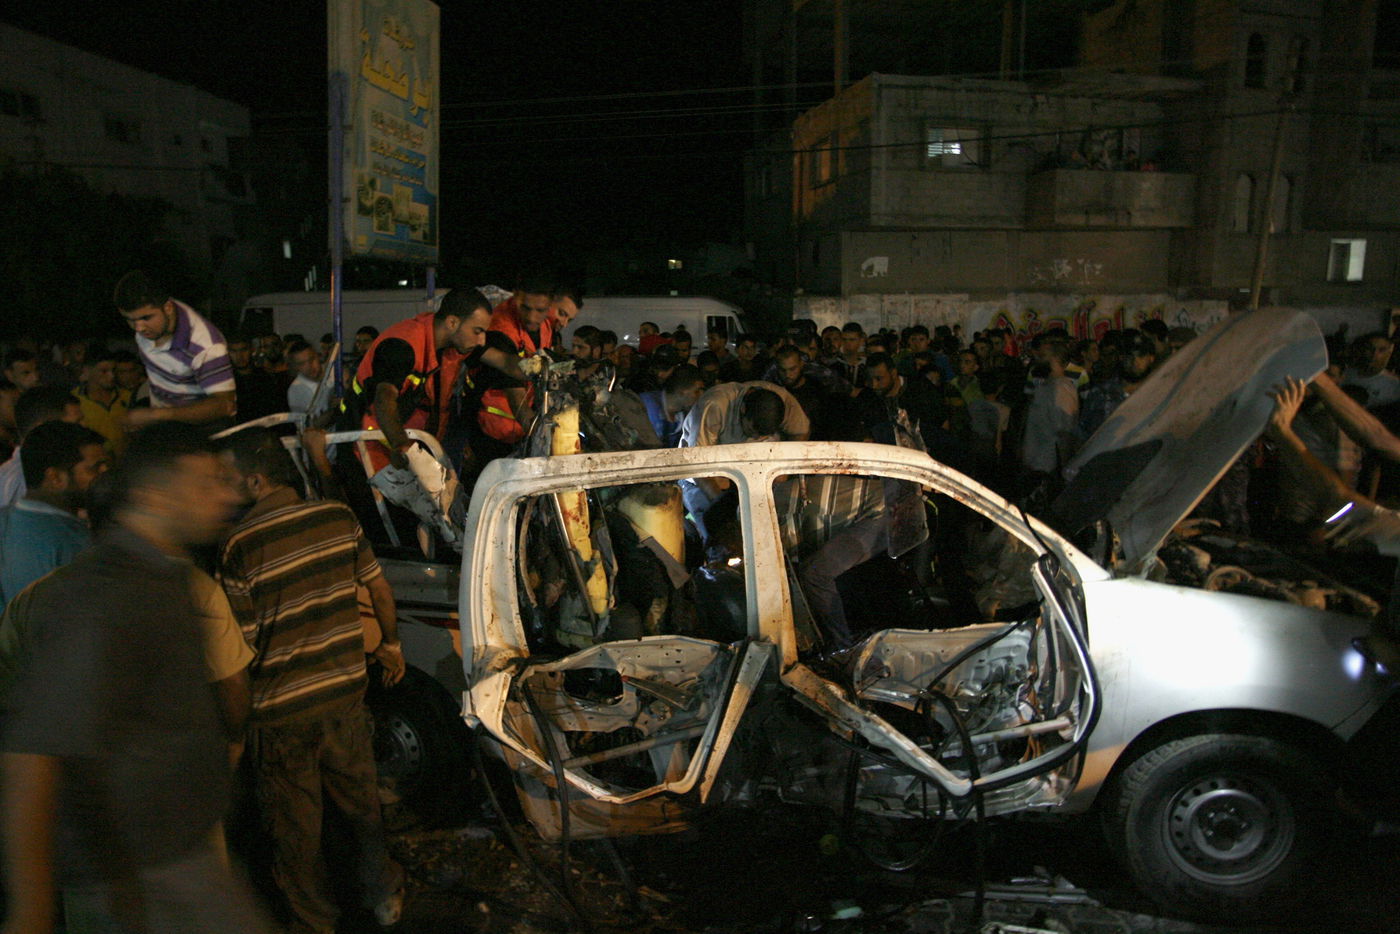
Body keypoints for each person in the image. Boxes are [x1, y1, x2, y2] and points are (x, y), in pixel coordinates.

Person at [0, 422, 268, 934]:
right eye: (205, 482)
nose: (225, 494)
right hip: (137, 872)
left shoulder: (167, 579)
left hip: (175, 855)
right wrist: (31, 910)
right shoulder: (107, 596)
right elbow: (32, 758)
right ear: (153, 494)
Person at [217, 428, 405, 933]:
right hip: (345, 695)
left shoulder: (238, 545)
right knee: (361, 806)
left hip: (281, 713)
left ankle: (315, 920)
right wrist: (390, 645)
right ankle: (383, 896)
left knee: (296, 829)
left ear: (255, 481)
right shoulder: (337, 517)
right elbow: (380, 590)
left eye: (230, 482)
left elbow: (244, 645)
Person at [340, 286, 504, 471]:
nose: (482, 340)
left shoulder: (450, 344)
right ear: (452, 322)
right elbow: (384, 397)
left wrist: (533, 366)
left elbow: (502, 361)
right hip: (365, 449)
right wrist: (404, 447)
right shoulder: (402, 346)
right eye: (477, 331)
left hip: (406, 449)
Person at [0, 421, 109, 612]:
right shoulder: (74, 541)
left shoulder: (5, 520)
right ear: (55, 478)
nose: (105, 473)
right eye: (94, 468)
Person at [114, 270, 237, 426]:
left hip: (203, 436)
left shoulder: (205, 346)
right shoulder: (150, 328)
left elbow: (224, 405)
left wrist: (157, 415)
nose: (138, 328)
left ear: (168, 308)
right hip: (168, 430)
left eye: (146, 318)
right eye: (129, 320)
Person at [0, 386, 84, 509]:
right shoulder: (23, 481)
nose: (84, 430)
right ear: (41, 428)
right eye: (76, 424)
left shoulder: (9, 474)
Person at [72, 346, 131, 453]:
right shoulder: (74, 401)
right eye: (104, 371)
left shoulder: (127, 397)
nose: (112, 376)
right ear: (87, 370)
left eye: (113, 370)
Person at [639, 364, 705, 447]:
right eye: (696, 391)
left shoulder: (684, 417)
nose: (700, 396)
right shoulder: (646, 404)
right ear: (681, 391)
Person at [286, 338, 330, 423]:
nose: (309, 366)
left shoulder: (333, 372)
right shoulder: (296, 390)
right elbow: (310, 427)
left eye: (311, 359)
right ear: (296, 367)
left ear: (318, 356)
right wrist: (333, 408)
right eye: (302, 363)